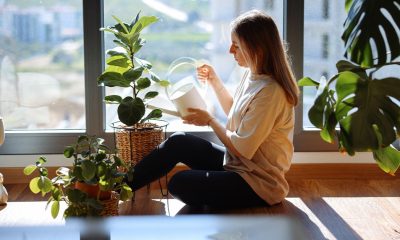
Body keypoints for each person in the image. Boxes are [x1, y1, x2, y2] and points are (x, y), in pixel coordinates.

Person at [126, 9, 299, 207]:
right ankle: (115, 188)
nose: (230, 51)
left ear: (256, 49)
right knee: (178, 141)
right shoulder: (253, 75)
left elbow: (243, 149)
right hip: (238, 167)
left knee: (179, 183)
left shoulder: (271, 92)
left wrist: (209, 120)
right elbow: (237, 112)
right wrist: (214, 81)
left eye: (236, 45)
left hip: (258, 183)